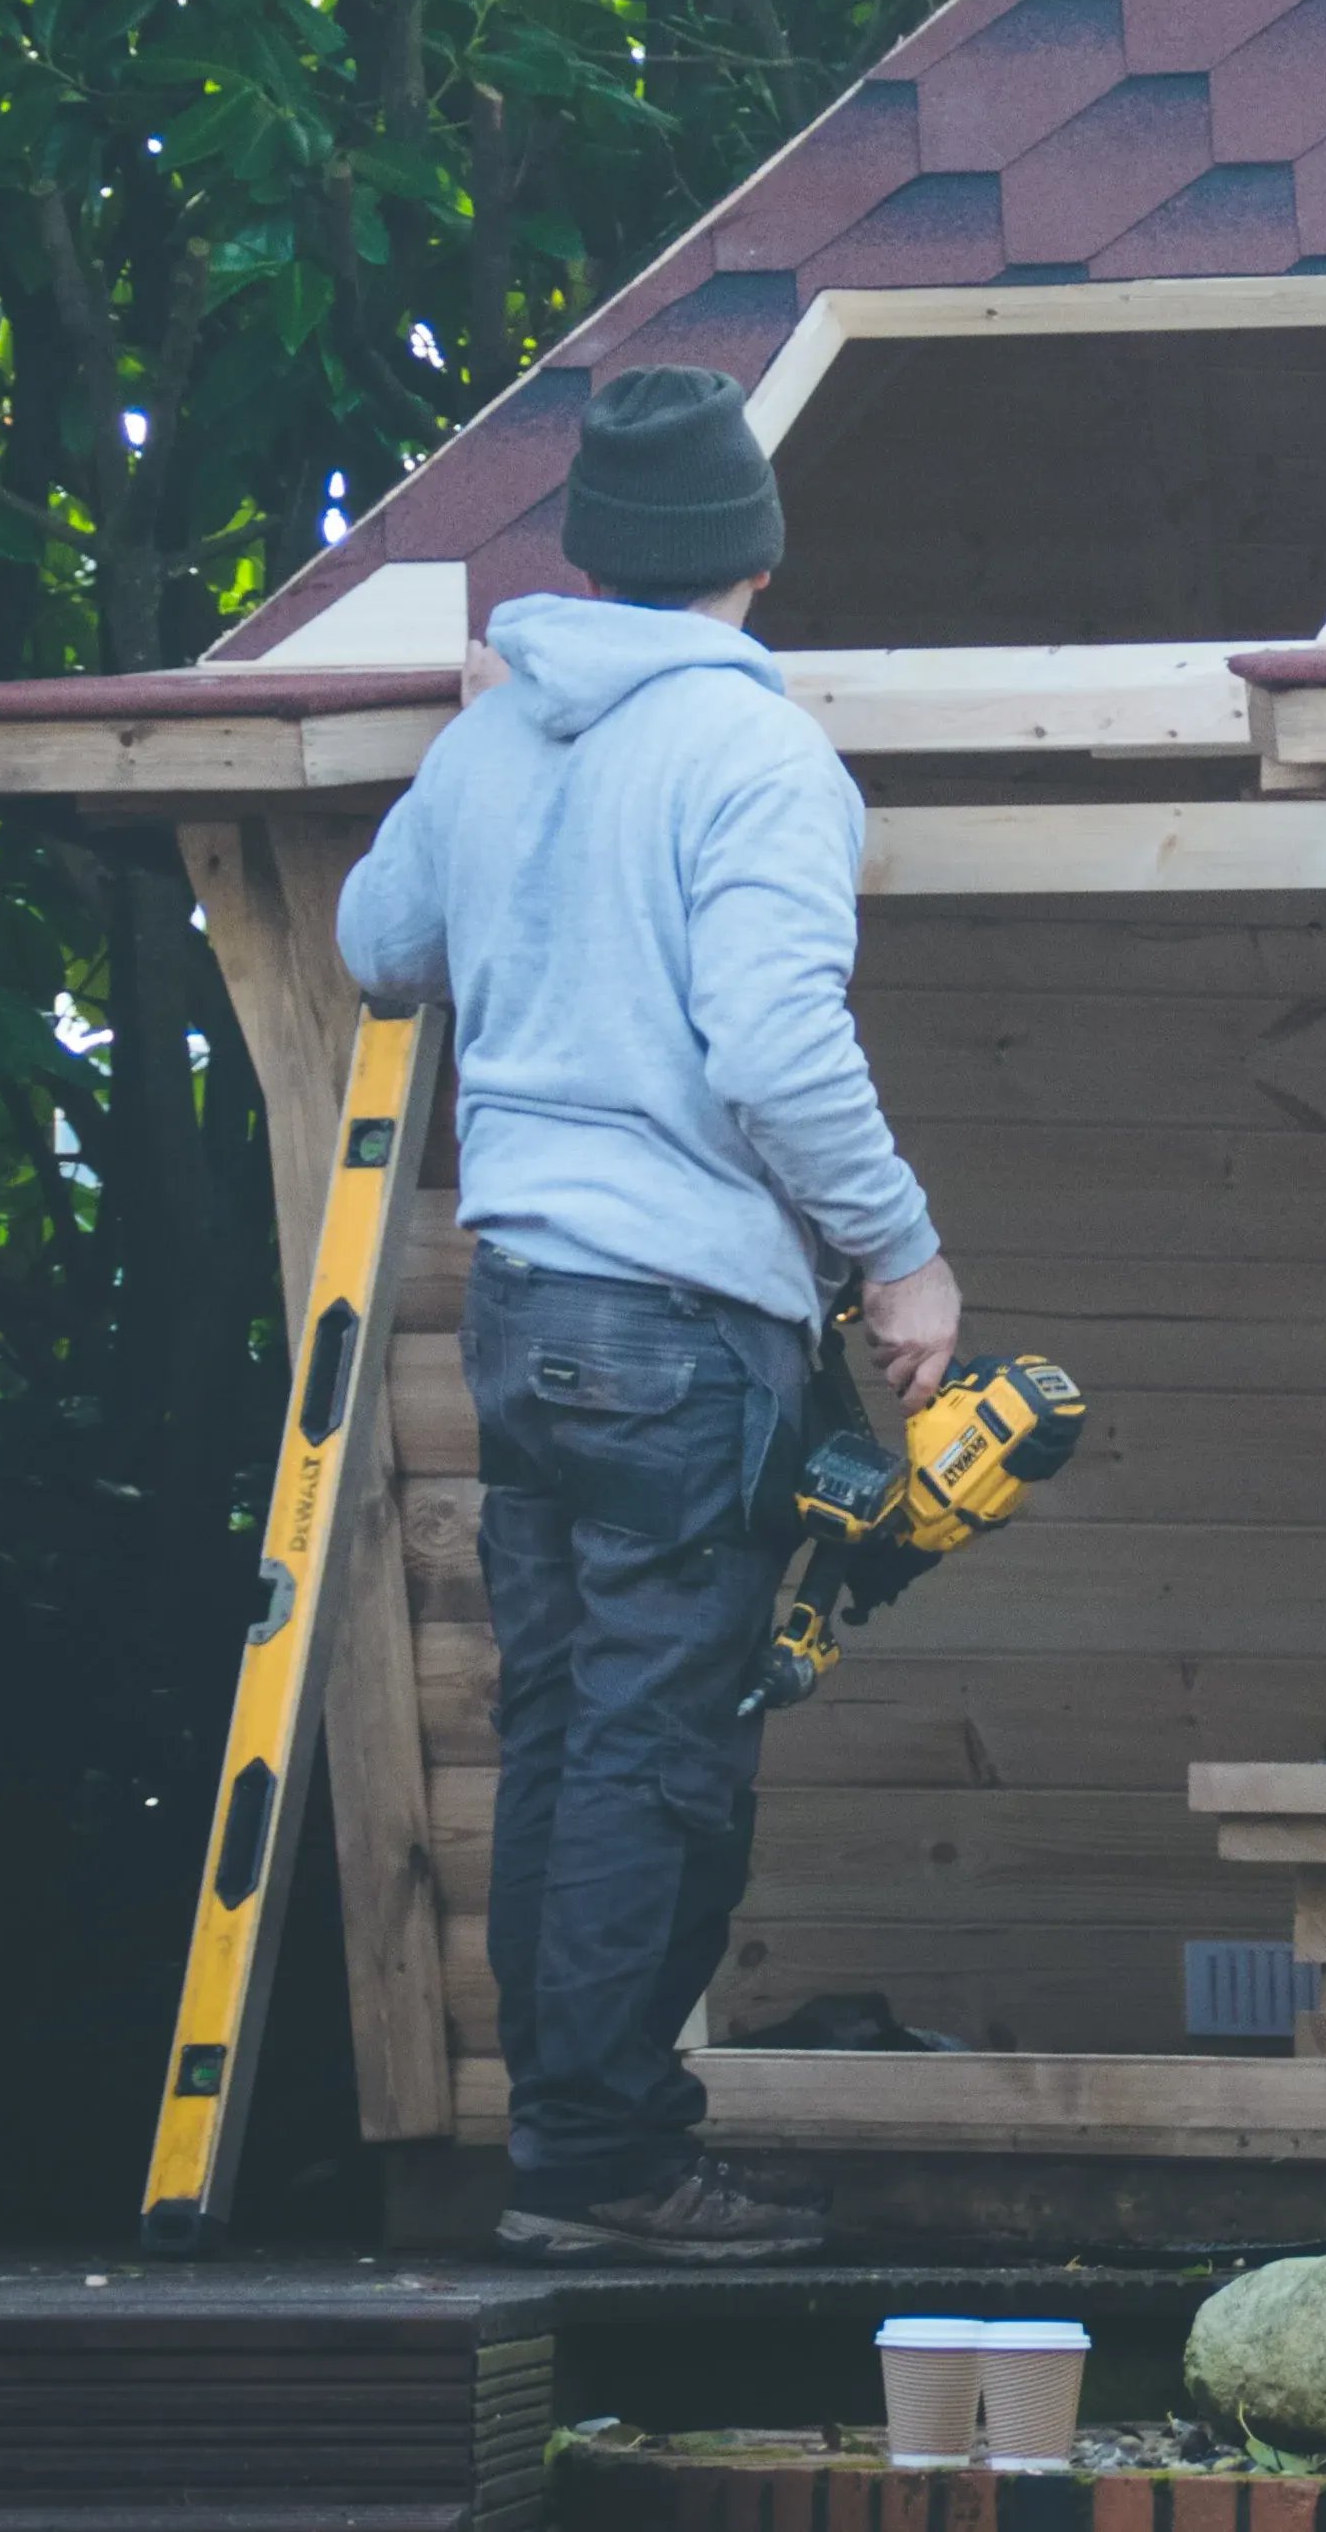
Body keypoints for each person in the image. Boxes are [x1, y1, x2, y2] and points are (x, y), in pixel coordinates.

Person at [336, 364, 959, 2263]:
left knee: (565, 1736)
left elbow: (379, 949)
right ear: (754, 567)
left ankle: (565, 2139)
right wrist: (902, 1254)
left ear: (593, 558)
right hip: (678, 1329)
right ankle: (606, 2165)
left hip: (520, 1309)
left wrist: (471, 777)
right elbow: (773, 1043)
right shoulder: (758, 759)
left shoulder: (491, 744)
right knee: (654, 1755)